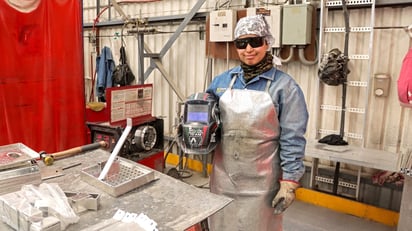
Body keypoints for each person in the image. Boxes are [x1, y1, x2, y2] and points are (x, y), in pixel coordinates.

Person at [206, 15, 309, 231]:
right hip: (224, 179)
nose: (248, 49)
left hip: (263, 184)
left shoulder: (285, 88)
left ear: (267, 42)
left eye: (255, 41)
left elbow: (293, 137)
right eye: (241, 44)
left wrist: (289, 182)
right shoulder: (222, 82)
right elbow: (206, 121)